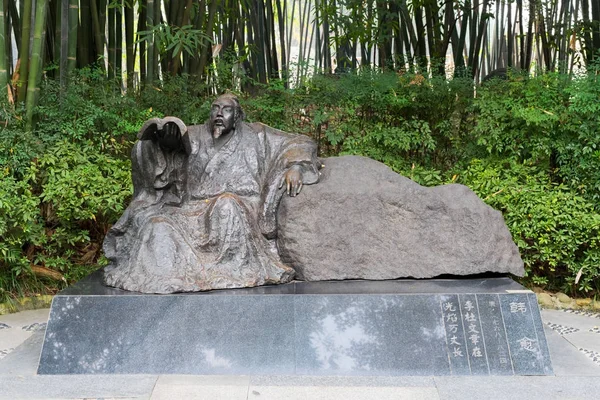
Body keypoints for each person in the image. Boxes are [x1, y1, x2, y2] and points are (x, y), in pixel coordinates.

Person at [103, 94, 320, 293]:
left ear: (237, 116)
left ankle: (228, 273)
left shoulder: (259, 135)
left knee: (226, 206)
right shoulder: (194, 135)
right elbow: (164, 168)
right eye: (215, 108)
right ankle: (163, 277)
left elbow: (299, 141)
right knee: (156, 223)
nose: (218, 114)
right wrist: (166, 146)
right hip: (191, 209)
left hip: (237, 205)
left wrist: (296, 165)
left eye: (225, 110)